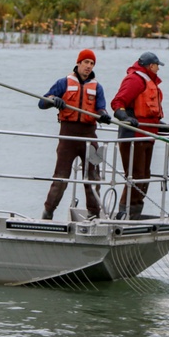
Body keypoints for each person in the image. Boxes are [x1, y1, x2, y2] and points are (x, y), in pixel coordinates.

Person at [38, 49, 112, 220]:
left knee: (94, 177)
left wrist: (104, 114)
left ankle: (94, 214)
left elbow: (101, 107)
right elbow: (41, 103)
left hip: (90, 136)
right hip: (68, 136)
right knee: (61, 177)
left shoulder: (97, 87)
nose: (88, 66)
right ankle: (48, 213)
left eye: (92, 63)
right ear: (78, 63)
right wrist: (53, 100)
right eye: (86, 62)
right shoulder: (63, 82)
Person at [110, 52, 169, 220]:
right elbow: (117, 103)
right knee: (135, 177)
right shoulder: (135, 80)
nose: (159, 69)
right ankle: (124, 213)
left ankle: (135, 212)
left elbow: (151, 119)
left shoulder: (150, 83)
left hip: (147, 137)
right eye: (158, 66)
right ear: (151, 66)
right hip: (133, 137)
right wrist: (125, 118)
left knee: (144, 177)